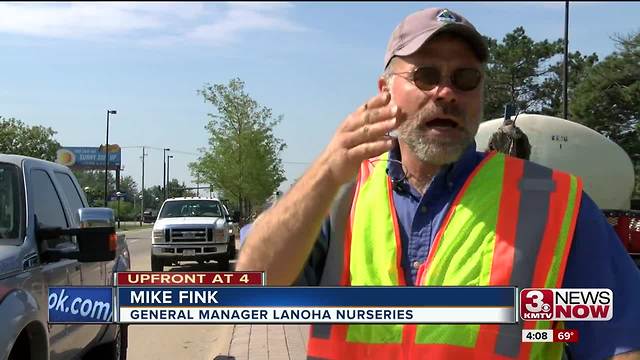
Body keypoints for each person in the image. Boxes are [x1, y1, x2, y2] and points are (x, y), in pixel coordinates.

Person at [237, 7, 640, 360]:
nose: (446, 92)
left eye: (465, 77)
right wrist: (325, 171)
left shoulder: (555, 205)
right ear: (385, 92)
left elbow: (620, 346)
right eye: (426, 75)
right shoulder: (338, 195)